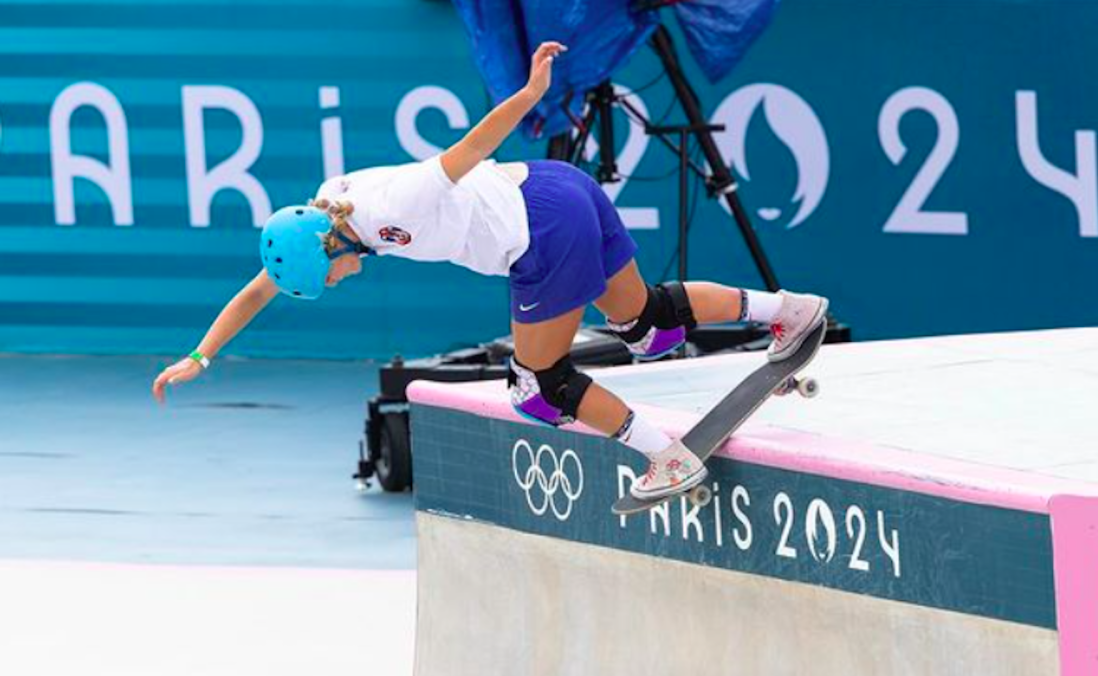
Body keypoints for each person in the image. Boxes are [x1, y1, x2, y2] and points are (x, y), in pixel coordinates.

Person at [152, 42, 828, 501]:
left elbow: (468, 149)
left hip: (540, 232)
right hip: (559, 187)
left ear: (329, 251)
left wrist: (531, 91)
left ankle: (667, 456)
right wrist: (200, 357)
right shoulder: (326, 213)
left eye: (327, 280)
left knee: (539, 387)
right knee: (644, 321)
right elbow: (258, 287)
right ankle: (788, 311)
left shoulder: (392, 207)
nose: (337, 284)